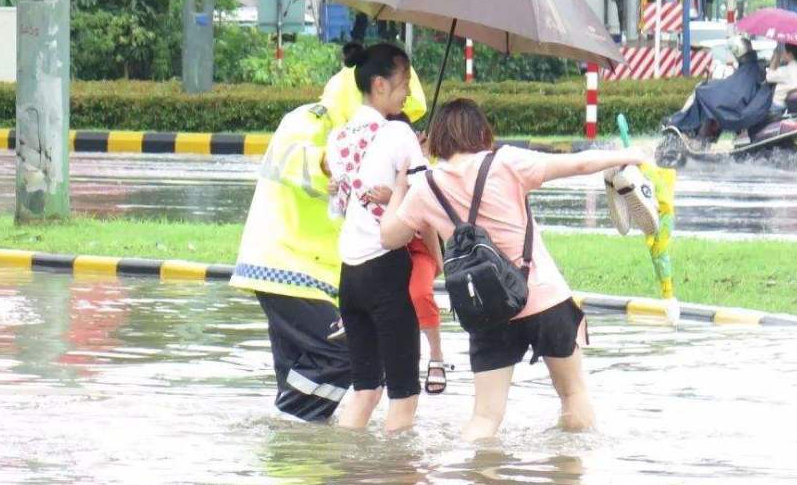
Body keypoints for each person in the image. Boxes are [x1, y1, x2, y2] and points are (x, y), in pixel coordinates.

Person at [380, 99, 647, 441]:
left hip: (486, 312)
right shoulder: (505, 162)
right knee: (573, 395)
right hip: (544, 299)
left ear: (440, 138)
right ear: (480, 130)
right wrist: (630, 156)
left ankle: (475, 484)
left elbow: (390, 237)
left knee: (485, 418)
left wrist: (401, 184)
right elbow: (577, 166)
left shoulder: (426, 188)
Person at [228, 46, 427, 423]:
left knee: (301, 370)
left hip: (325, 273)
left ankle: (297, 458)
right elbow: (293, 163)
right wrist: (332, 160)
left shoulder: (379, 138)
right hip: (287, 266)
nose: (396, 116)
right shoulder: (312, 121)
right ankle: (294, 426)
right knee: (346, 350)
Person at [326, 43, 438, 432]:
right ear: (379, 84)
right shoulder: (397, 134)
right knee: (403, 398)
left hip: (349, 276)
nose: (408, 91)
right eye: (404, 82)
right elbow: (427, 202)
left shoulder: (337, 139)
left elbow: (339, 207)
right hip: (388, 273)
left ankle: (347, 477)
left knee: (366, 391)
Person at [667, 34, 773, 148]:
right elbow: (736, 85)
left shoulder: (752, 69)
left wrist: (710, 87)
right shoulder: (755, 67)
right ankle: (702, 138)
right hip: (746, 104)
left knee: (703, 93)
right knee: (709, 96)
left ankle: (687, 128)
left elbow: (735, 89)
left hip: (739, 107)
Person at [766, 43, 797, 114]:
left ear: (790, 54)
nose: (782, 53)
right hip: (789, 105)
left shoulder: (788, 70)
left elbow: (768, 77)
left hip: (777, 104)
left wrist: (776, 56)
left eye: (784, 51)